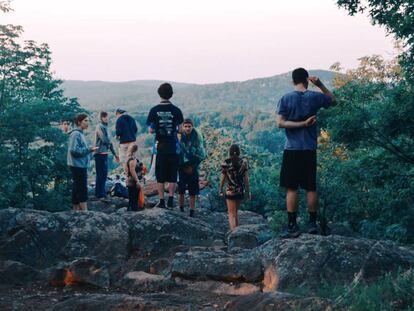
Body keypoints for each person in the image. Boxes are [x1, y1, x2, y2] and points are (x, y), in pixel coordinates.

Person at [276, 68, 337, 238]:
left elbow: (280, 123)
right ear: (307, 80)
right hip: (309, 148)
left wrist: (301, 123)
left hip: (292, 149)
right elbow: (333, 100)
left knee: (292, 188)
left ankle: (292, 226)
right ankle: (312, 224)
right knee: (310, 187)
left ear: (293, 81)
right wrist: (321, 85)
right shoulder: (315, 97)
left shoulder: (286, 98)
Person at [146, 83, 184, 208]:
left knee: (160, 176)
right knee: (173, 175)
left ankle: (162, 201)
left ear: (159, 94)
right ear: (171, 94)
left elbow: (151, 130)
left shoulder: (154, 110)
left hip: (160, 147)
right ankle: (171, 200)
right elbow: (180, 129)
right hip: (173, 146)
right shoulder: (177, 110)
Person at [67, 113, 98, 211]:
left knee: (76, 187)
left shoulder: (79, 133)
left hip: (79, 164)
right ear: (79, 122)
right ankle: (85, 212)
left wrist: (89, 149)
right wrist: (89, 150)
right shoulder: (76, 134)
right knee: (82, 188)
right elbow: (74, 151)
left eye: (88, 120)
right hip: (78, 165)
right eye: (85, 121)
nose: (87, 123)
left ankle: (75, 210)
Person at [178, 118, 206, 217]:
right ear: (183, 127)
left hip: (193, 166)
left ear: (192, 126)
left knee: (192, 190)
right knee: (181, 189)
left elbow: (201, 154)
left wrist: (192, 167)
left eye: (189, 126)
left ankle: (192, 210)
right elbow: (177, 152)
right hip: (181, 167)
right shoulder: (180, 136)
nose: (187, 128)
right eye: (185, 126)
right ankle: (181, 208)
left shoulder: (197, 137)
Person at [220, 144, 251, 231]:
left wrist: (220, 189)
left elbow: (223, 178)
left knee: (231, 214)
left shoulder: (225, 162)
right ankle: (236, 232)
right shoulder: (243, 162)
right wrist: (248, 192)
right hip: (240, 190)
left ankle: (233, 233)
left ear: (230, 152)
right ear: (239, 152)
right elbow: (246, 179)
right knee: (235, 213)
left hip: (230, 190)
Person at [94, 111, 119, 202]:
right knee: (101, 174)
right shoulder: (99, 126)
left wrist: (115, 154)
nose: (106, 118)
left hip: (104, 153)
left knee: (103, 174)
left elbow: (109, 142)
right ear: (100, 118)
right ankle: (100, 193)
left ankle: (100, 193)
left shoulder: (106, 127)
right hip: (99, 153)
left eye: (106, 117)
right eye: (104, 117)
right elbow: (104, 139)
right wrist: (110, 142)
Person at [115, 108, 138, 175]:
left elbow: (118, 132)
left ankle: (127, 177)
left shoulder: (119, 120)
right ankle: (134, 177)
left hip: (124, 143)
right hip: (133, 142)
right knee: (132, 160)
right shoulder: (131, 118)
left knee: (124, 161)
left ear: (118, 113)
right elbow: (135, 130)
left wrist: (117, 136)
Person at [126, 144, 143, 211]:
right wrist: (137, 181)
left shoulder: (129, 158)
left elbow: (127, 171)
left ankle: (131, 209)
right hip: (133, 182)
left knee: (132, 198)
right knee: (134, 198)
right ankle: (133, 211)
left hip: (131, 181)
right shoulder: (132, 160)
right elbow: (132, 171)